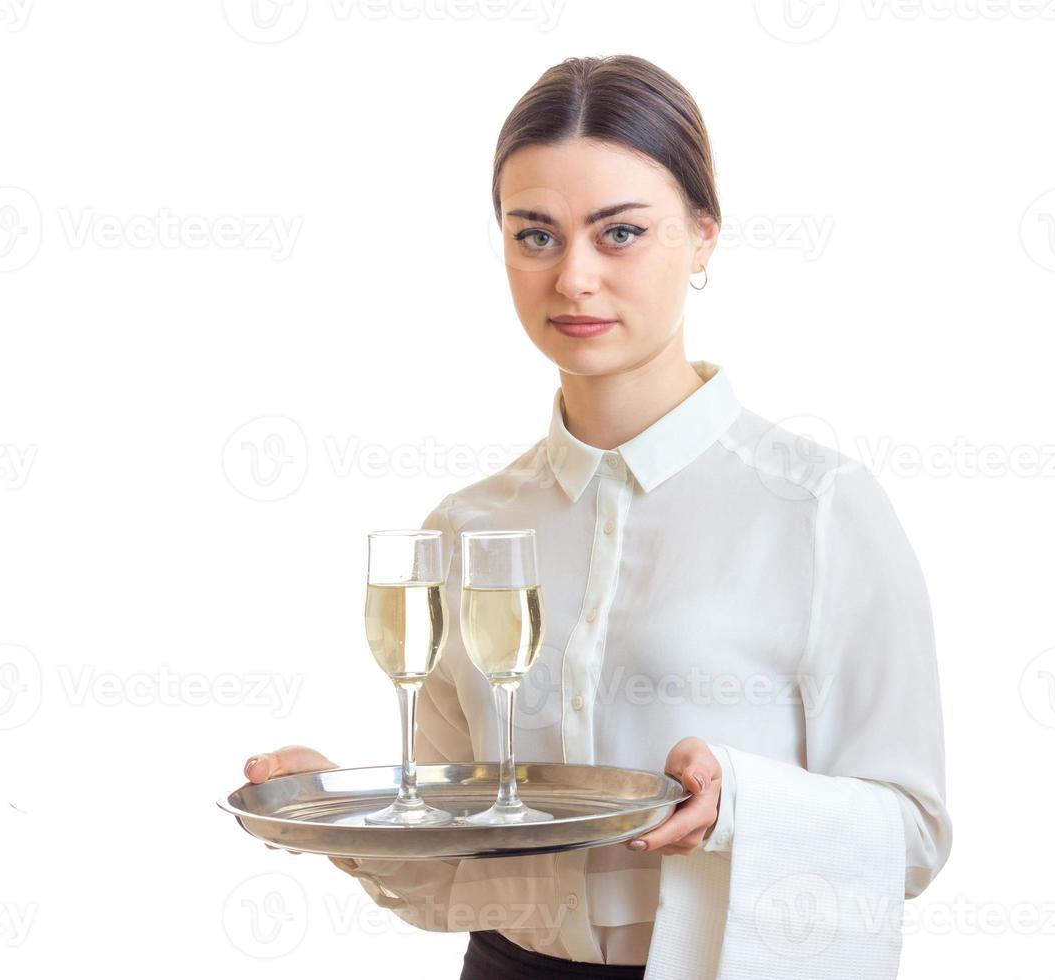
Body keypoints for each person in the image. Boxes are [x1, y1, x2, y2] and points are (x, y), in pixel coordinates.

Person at [240, 54, 951, 978]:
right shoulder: (465, 528)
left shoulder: (817, 509)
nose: (573, 277)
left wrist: (743, 804)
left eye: (619, 233)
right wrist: (342, 819)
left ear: (703, 237)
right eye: (535, 235)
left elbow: (915, 837)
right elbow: (462, 871)